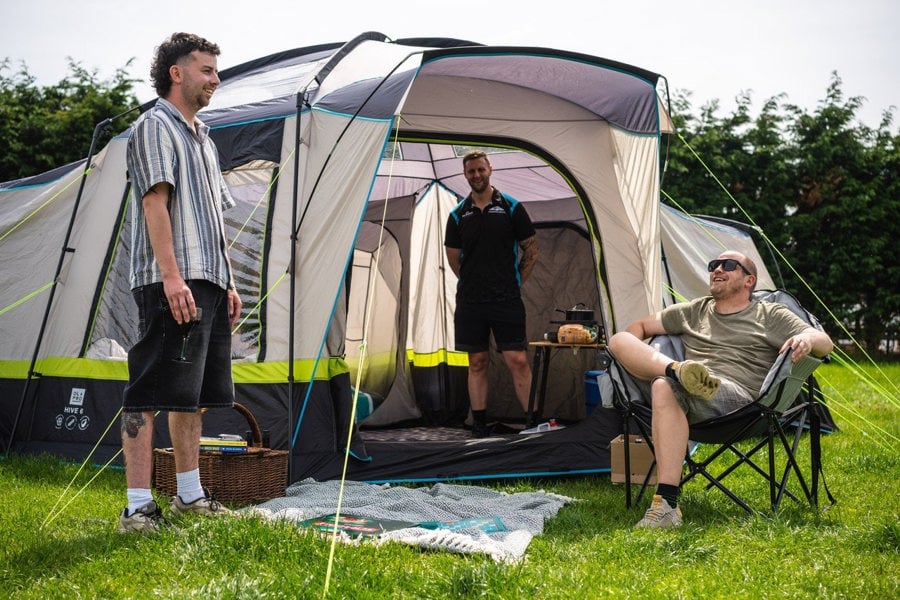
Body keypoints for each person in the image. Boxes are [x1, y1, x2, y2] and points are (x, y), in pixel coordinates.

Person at [608, 250, 833, 529]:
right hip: (682, 391)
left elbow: (825, 341)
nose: (717, 269)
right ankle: (677, 370)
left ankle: (667, 504)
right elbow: (641, 326)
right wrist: (641, 350)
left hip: (742, 403)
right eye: (713, 264)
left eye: (728, 265)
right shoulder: (695, 310)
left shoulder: (770, 314)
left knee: (664, 387)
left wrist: (806, 338)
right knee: (622, 342)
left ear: (749, 280)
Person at [119, 33, 242, 533]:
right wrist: (171, 278)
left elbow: (213, 218)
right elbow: (155, 204)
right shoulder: (154, 126)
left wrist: (229, 282)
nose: (216, 79)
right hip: (170, 280)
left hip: (208, 281)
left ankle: (189, 499)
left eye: (216, 70)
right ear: (177, 73)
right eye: (207, 70)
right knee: (148, 393)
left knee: (191, 396)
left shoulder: (205, 139)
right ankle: (137, 508)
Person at [444, 150, 539, 437]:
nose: (476, 175)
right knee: (477, 362)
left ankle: (533, 423)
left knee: (518, 360)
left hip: (506, 299)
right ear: (465, 175)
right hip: (471, 301)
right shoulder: (457, 214)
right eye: (471, 171)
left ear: (490, 169)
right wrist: (473, 281)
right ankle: (480, 425)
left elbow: (532, 250)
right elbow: (453, 258)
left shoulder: (511, 207)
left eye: (480, 170)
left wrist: (514, 281)